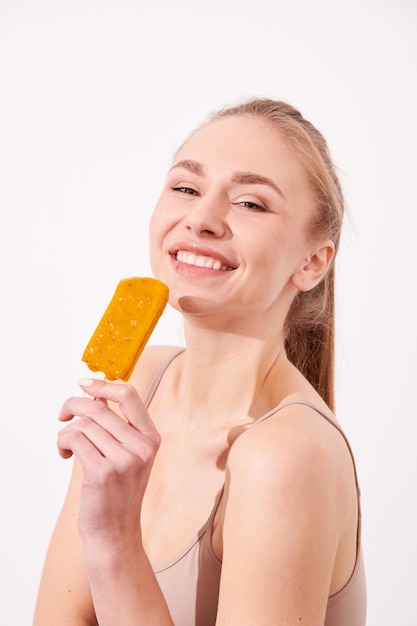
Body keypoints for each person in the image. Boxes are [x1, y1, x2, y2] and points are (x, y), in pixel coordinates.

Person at [33, 97, 366, 625]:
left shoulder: (284, 456)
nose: (201, 218)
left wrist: (114, 540)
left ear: (311, 262)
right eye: (186, 188)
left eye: (251, 203)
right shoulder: (140, 381)